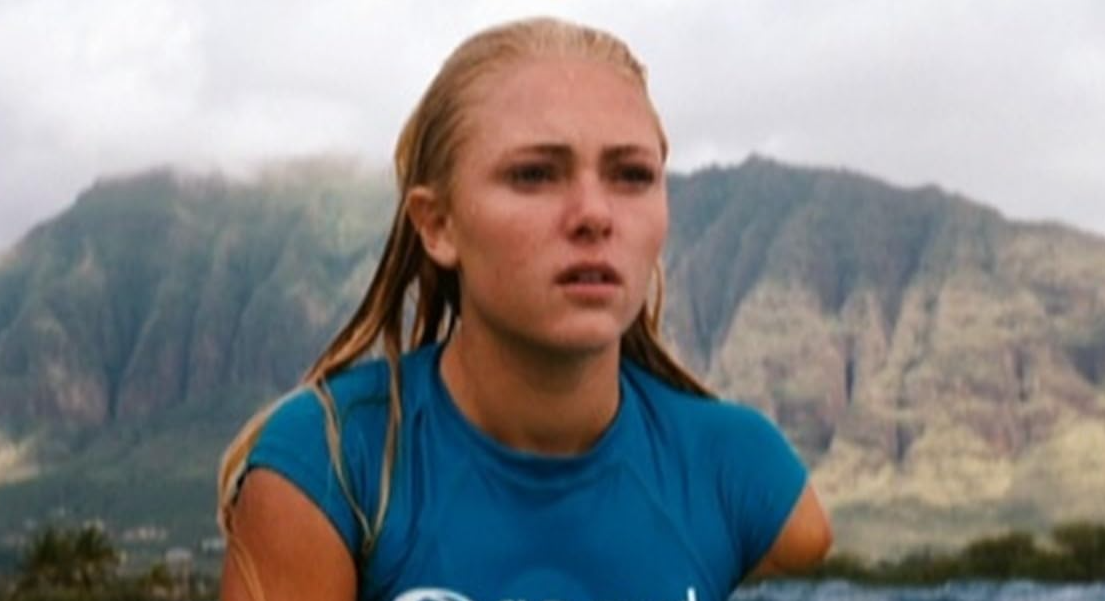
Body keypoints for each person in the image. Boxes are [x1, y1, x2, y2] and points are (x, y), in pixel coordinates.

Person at [217, 16, 831, 601]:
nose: (594, 214)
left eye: (632, 175)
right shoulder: (329, 467)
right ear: (438, 225)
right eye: (535, 174)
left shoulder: (746, 481)